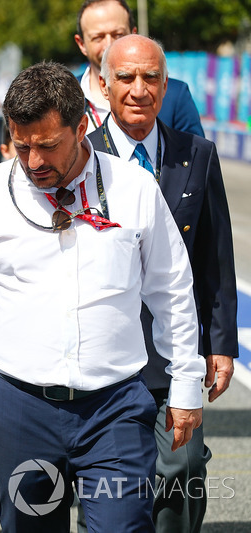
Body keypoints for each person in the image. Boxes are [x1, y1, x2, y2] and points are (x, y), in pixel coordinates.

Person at [0, 61, 206, 532]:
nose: (35, 161)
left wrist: (185, 383)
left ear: (81, 127)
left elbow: (172, 290)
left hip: (115, 408)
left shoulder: (134, 188)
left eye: (48, 145)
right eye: (22, 146)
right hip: (19, 408)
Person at [87, 35, 237, 532]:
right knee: (116, 481)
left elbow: (215, 256)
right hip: (106, 350)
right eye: (126, 78)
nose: (138, 89)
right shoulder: (80, 159)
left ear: (166, 85)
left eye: (151, 78)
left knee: (183, 468)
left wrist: (221, 343)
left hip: (178, 348)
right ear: (104, 86)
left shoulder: (197, 153)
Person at [74, 0, 204, 136]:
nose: (109, 44)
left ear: (134, 33)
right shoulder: (63, 98)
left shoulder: (175, 96)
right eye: (98, 37)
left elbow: (195, 153)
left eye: (118, 35)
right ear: (81, 43)